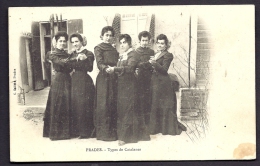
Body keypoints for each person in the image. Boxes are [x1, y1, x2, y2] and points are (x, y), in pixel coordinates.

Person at [107, 34, 150, 145]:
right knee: (122, 109)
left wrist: (114, 69)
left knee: (128, 110)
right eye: (120, 43)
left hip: (130, 85)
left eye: (124, 42)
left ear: (129, 43)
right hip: (122, 85)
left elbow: (130, 69)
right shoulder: (123, 55)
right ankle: (122, 135)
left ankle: (127, 137)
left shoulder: (133, 54)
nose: (122, 45)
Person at [149, 34, 186, 135]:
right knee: (155, 103)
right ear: (156, 44)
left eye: (162, 43)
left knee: (162, 104)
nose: (160, 45)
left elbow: (164, 70)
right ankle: (156, 128)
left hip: (163, 82)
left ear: (166, 45)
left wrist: (154, 63)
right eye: (158, 43)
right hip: (155, 81)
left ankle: (165, 128)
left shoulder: (168, 55)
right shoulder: (156, 54)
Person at [43, 31, 72, 140]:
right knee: (57, 103)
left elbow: (69, 65)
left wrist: (70, 60)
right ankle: (56, 133)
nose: (63, 43)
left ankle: (66, 133)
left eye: (64, 41)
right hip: (59, 80)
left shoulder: (68, 54)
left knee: (66, 103)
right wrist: (71, 60)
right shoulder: (52, 53)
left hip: (68, 79)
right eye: (60, 41)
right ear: (56, 42)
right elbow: (61, 63)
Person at [68, 33, 95, 139]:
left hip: (84, 81)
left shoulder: (88, 53)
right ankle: (76, 131)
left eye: (77, 41)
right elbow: (69, 67)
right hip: (74, 81)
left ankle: (85, 132)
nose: (75, 44)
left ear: (82, 41)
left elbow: (90, 68)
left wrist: (85, 59)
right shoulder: (71, 54)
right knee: (75, 105)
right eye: (73, 42)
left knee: (84, 105)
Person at [94, 26, 119, 141]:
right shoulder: (98, 48)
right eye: (106, 35)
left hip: (114, 77)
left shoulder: (114, 49)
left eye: (110, 35)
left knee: (113, 102)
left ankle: (113, 132)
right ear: (102, 36)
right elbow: (99, 62)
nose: (108, 38)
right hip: (104, 78)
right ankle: (103, 133)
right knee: (104, 104)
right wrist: (105, 68)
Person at [135, 31, 154, 126]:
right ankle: (141, 122)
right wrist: (147, 64)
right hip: (140, 78)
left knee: (148, 99)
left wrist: (146, 65)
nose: (144, 42)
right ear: (139, 41)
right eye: (143, 40)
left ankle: (148, 122)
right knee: (140, 99)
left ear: (149, 41)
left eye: (146, 40)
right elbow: (137, 64)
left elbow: (152, 64)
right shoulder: (136, 52)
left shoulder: (151, 52)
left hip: (149, 78)